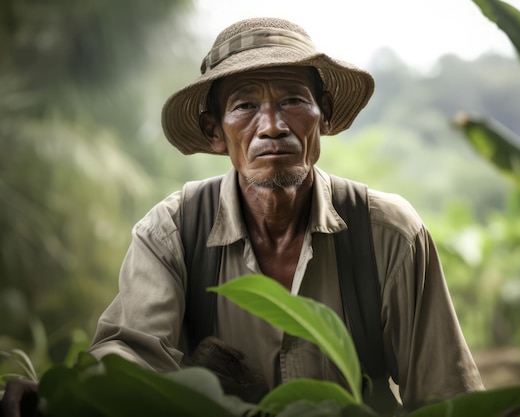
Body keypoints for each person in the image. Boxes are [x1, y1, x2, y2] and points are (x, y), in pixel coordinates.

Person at [2, 17, 483, 415]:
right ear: (215, 133)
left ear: (326, 115)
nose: (271, 126)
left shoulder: (388, 232)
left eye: (293, 100)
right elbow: (130, 360)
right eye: (245, 106)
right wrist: (61, 398)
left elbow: (446, 398)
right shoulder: (171, 232)